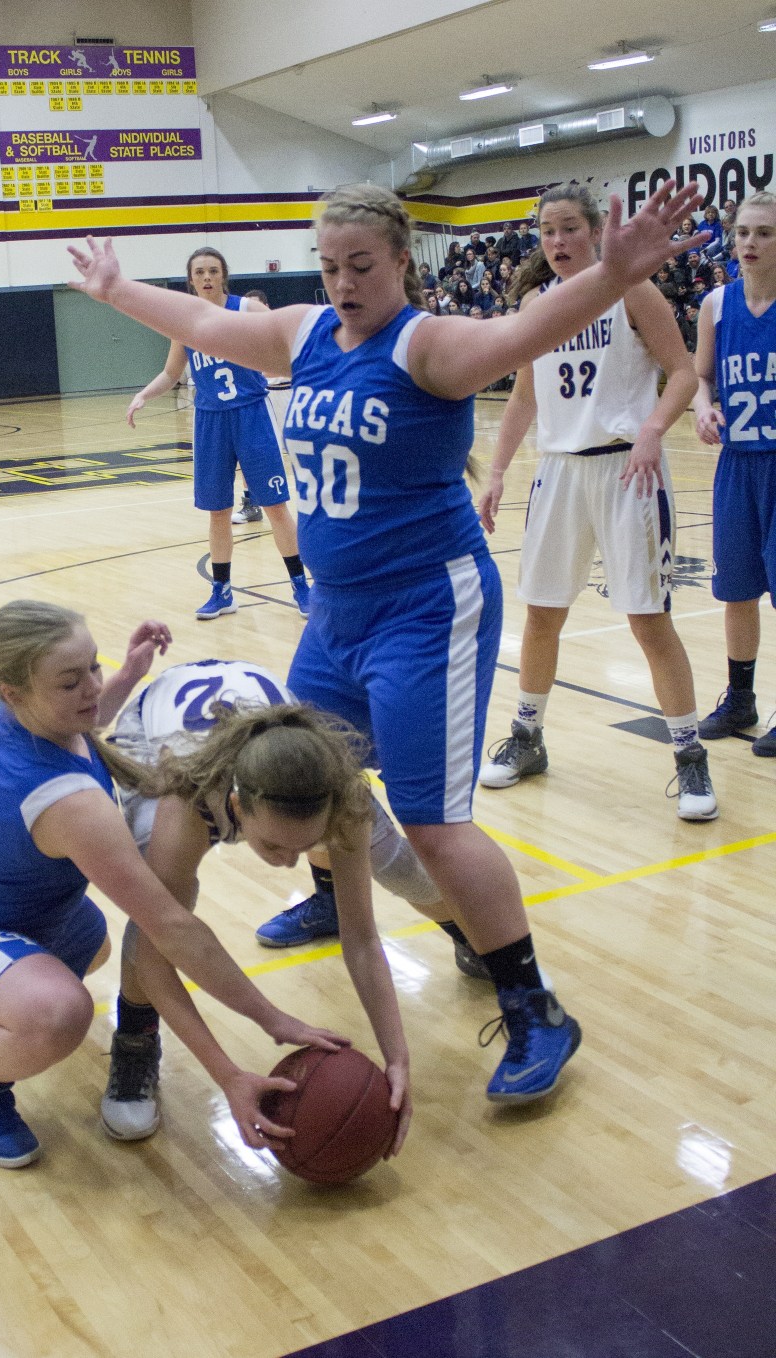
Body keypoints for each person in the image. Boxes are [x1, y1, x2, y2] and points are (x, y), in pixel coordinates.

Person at [68, 174, 705, 1105]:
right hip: (337, 614)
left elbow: (517, 336)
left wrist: (610, 273)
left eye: (360, 265)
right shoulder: (303, 334)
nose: (342, 283)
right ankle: (334, 897)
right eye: (328, 267)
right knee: (303, 773)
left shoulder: (430, 345)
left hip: (425, 610)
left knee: (438, 827)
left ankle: (535, 1009)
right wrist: (117, 289)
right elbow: (204, 329)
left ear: (402, 261)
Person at [0, 600, 344, 1167]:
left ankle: (24, 990)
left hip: (51, 921)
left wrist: (128, 675)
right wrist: (270, 1020)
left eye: (93, 666)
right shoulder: (69, 803)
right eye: (71, 681)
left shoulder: (26, 718)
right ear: (12, 691)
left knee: (98, 950)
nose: (91, 689)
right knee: (60, 1015)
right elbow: (172, 926)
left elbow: (86, 726)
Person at [100, 657, 445, 1142]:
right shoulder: (185, 802)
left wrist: (398, 1057)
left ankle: (481, 942)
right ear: (238, 809)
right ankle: (134, 1040)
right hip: (156, 734)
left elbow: (363, 940)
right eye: (276, 846)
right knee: (162, 916)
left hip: (264, 734)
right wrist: (229, 1072)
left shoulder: (343, 795)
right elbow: (156, 958)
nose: (287, 865)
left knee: (403, 869)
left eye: (306, 846)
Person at [477, 184, 717, 821]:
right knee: (543, 613)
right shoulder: (537, 303)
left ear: (595, 233)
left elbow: (685, 370)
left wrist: (651, 430)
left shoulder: (632, 293)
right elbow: (525, 396)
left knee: (647, 619)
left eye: (569, 230)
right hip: (558, 471)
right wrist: (497, 471)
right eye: (547, 231)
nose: (557, 242)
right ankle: (528, 736)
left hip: (626, 471)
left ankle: (690, 757)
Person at [126, 248, 310, 620]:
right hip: (210, 421)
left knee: (275, 506)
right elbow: (171, 372)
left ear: (223, 275)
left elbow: (287, 340)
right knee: (217, 511)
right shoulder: (185, 323)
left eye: (213, 270)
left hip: (251, 415)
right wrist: (143, 395)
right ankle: (222, 591)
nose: (207, 277)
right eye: (200, 272)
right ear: (190, 280)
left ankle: (301, 587)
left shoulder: (247, 310)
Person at [692, 192, 776, 755]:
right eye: (743, 232)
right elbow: (699, 377)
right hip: (737, 464)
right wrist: (703, 405)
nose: (749, 243)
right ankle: (741, 696)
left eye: (764, 233)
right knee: (737, 590)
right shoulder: (715, 305)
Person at [231, 288, 273, 525]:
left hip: (288, 393)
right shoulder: (242, 337)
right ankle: (252, 504)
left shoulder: (275, 332)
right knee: (248, 457)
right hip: (264, 399)